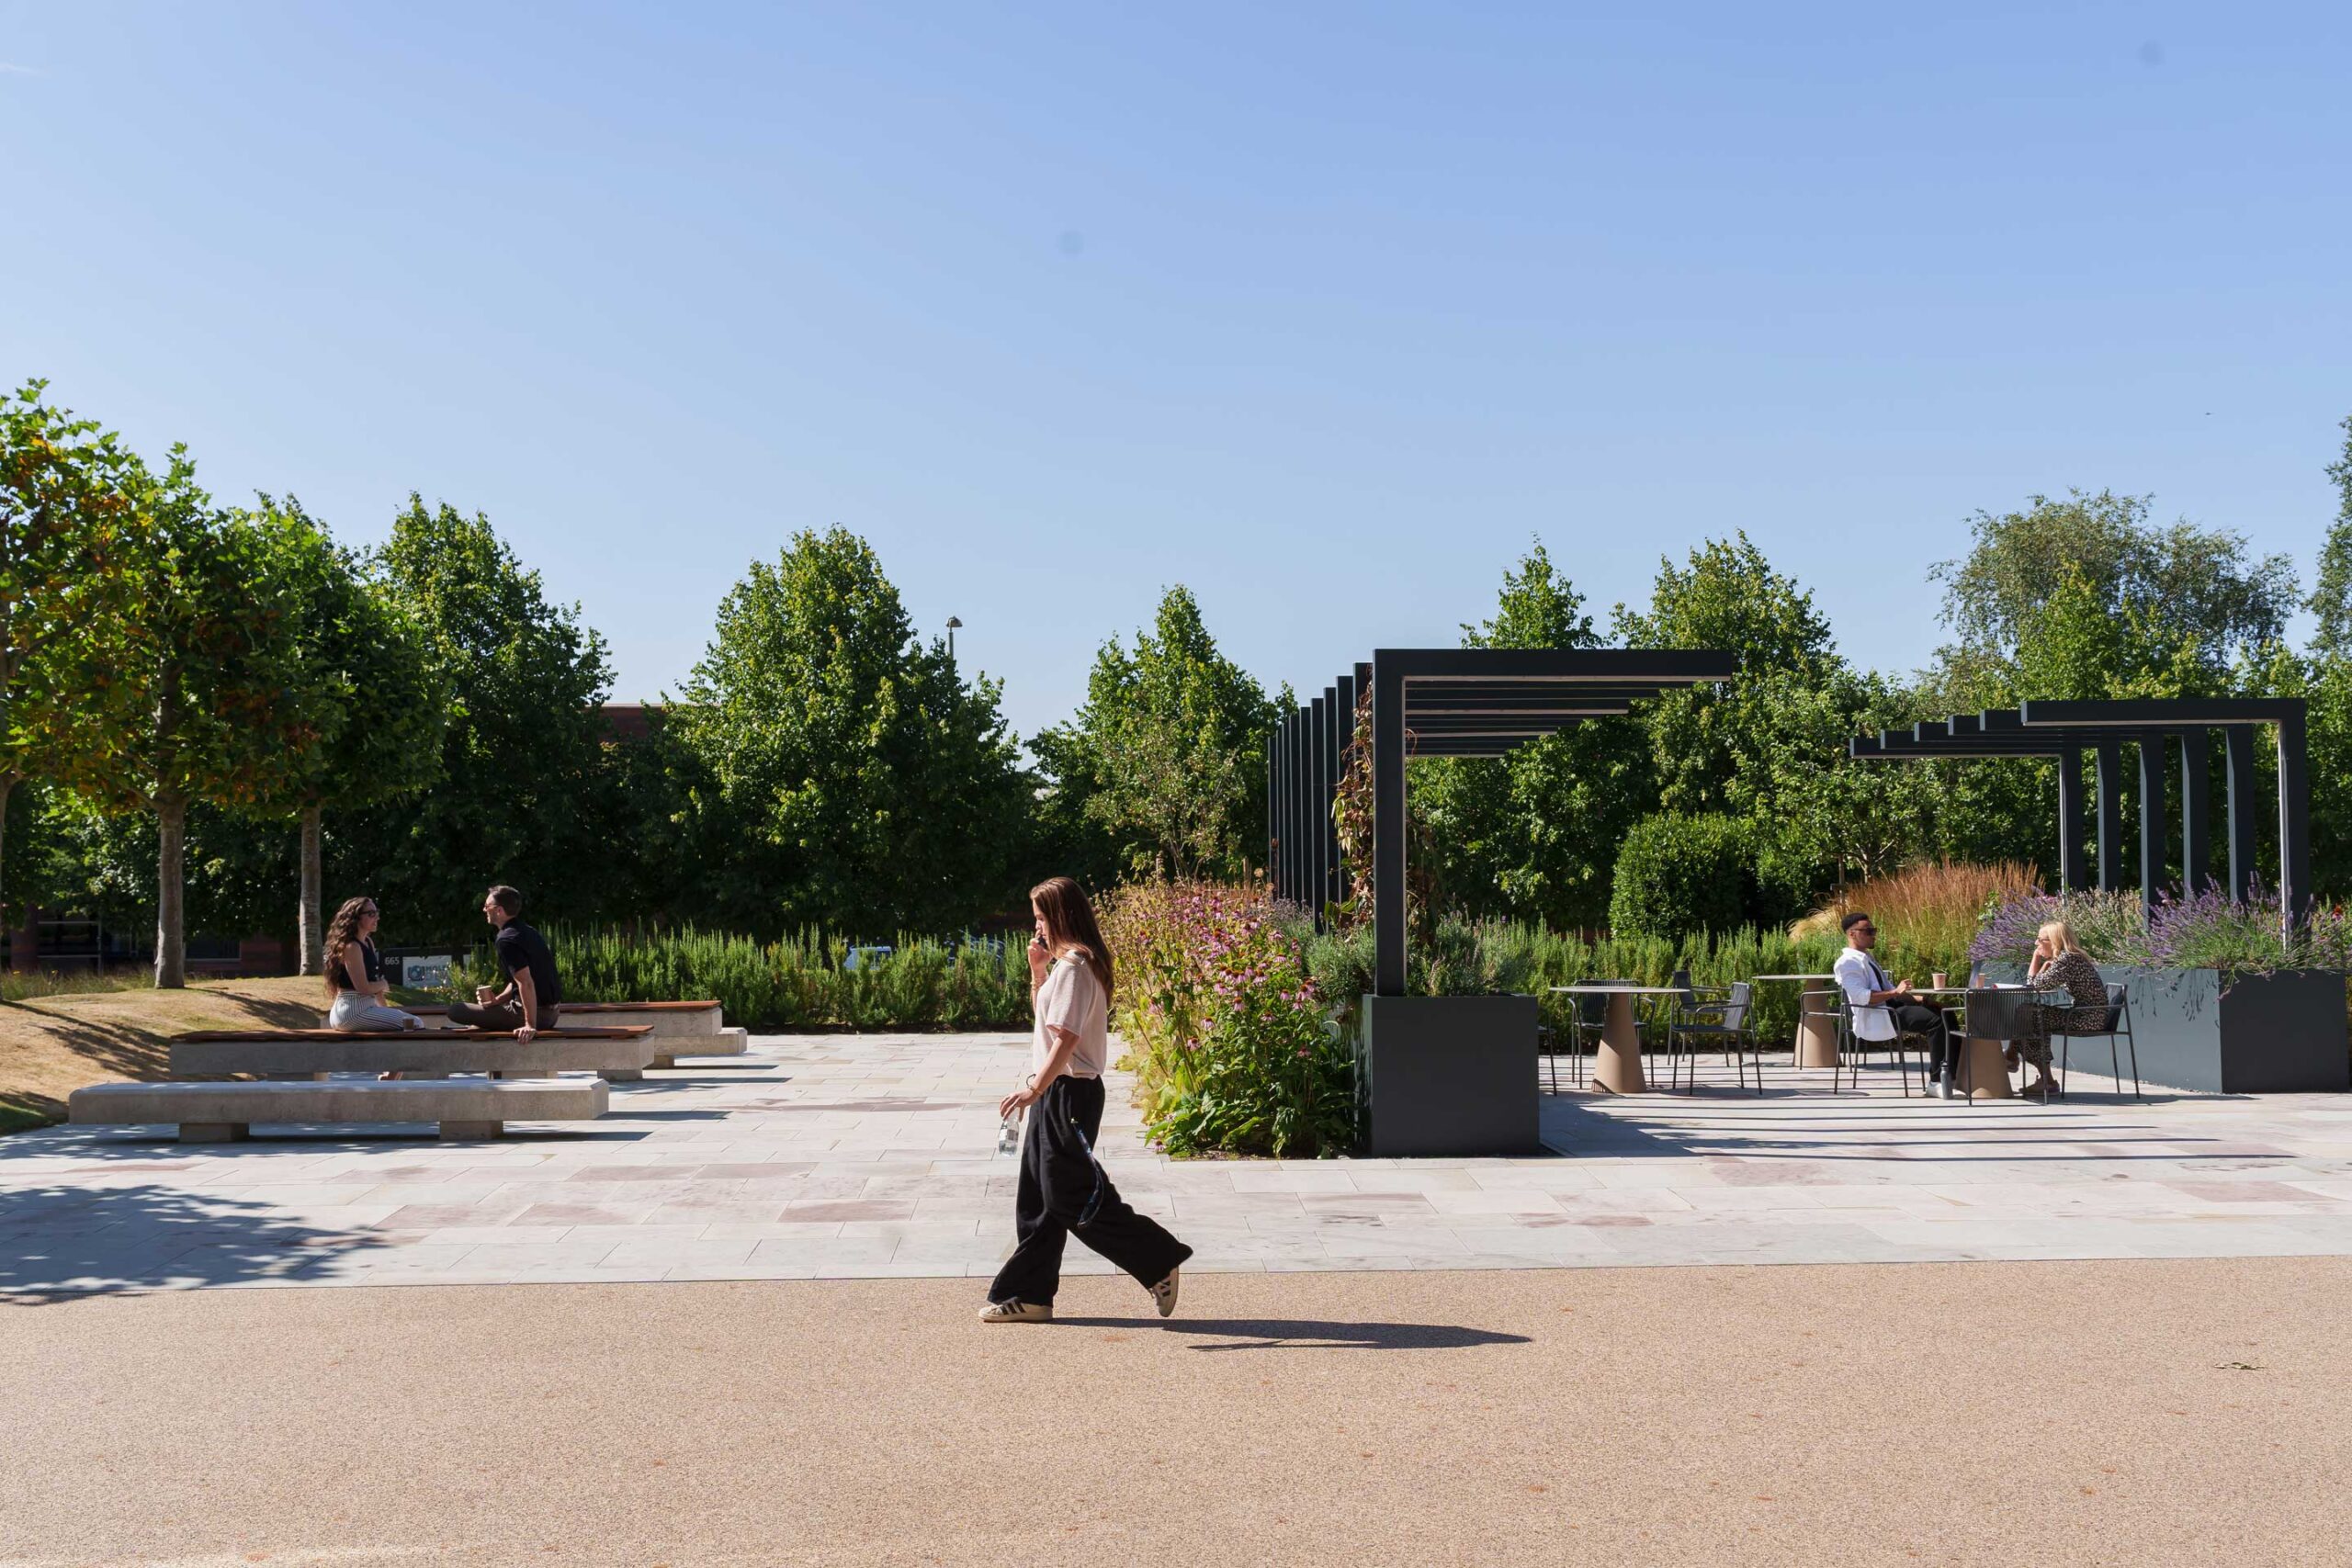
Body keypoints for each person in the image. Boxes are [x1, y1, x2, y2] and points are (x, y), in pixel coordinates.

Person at [979, 876, 1192, 1324]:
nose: (1037, 928)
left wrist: (1033, 1089)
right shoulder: (1064, 967)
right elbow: (1048, 1018)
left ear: (1059, 917)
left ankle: (1158, 1260)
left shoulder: (1076, 967)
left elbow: (1067, 1039)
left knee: (1070, 1193)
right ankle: (1030, 1296)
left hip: (1067, 1092)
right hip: (1054, 1090)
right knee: (1038, 1196)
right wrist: (1038, 970)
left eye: (1041, 918)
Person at [1832, 910, 1956, 1092]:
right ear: (1852, 933)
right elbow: (1862, 997)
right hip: (1877, 1014)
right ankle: (1936, 1082)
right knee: (1936, 1021)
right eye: (1868, 931)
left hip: (1890, 1008)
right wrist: (1895, 991)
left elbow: (1893, 992)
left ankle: (1953, 1077)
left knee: (1946, 1013)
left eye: (1874, 930)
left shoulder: (1867, 958)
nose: (1874, 934)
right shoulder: (1847, 963)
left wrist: (1924, 1000)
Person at [446, 884, 561, 1040]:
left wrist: (530, 1025)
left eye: (487, 906)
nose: (484, 910)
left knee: (457, 1010)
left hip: (538, 1016)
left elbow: (526, 983)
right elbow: (519, 979)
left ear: (499, 910)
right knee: (482, 1013)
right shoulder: (526, 931)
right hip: (552, 1013)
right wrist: (497, 1000)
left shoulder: (506, 940)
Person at [2009, 919, 2109, 1100]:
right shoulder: (2070, 957)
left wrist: (2035, 958)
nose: (2036, 944)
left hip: (2087, 1018)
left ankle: (2014, 1058)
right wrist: (2046, 965)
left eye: (2040, 940)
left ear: (2055, 941)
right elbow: (2039, 985)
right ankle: (2039, 1075)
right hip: (2088, 1014)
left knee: (2029, 1014)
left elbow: (2034, 985)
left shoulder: (2067, 959)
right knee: (2031, 1015)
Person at [322, 896, 424, 1032]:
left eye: (377, 913)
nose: (377, 917)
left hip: (365, 1008)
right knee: (416, 1023)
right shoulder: (352, 947)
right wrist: (383, 984)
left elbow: (375, 990)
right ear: (355, 918)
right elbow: (363, 988)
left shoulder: (368, 942)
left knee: (409, 1023)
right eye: (371, 914)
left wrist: (386, 1011)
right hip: (352, 1011)